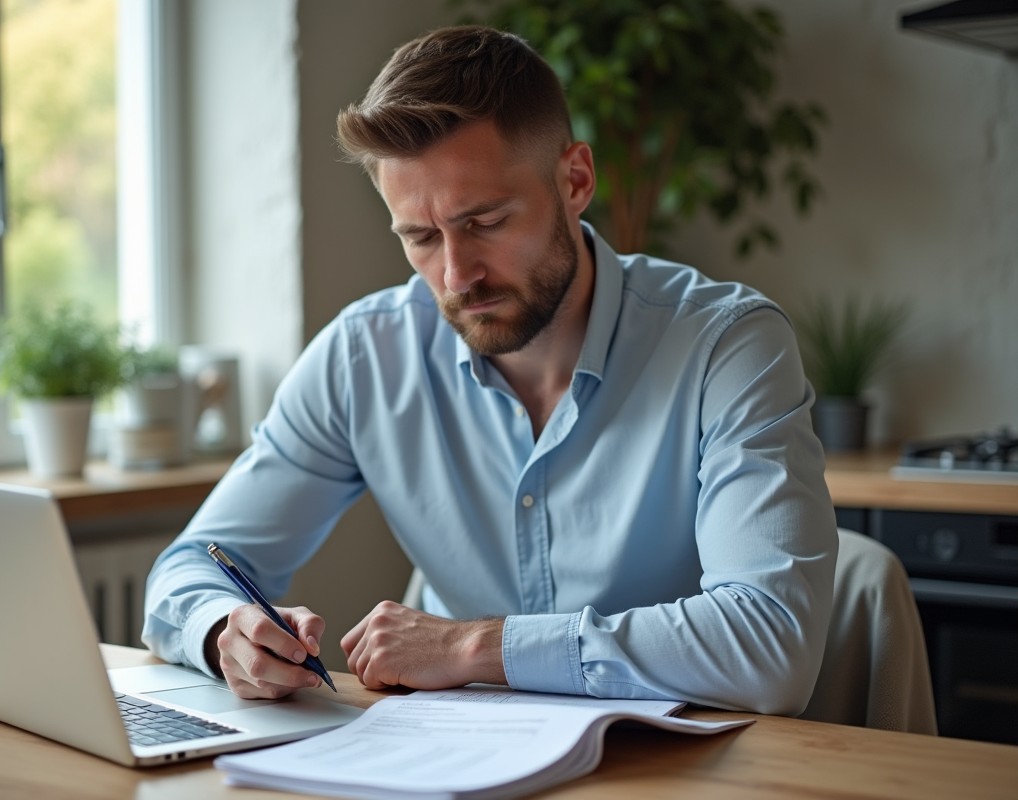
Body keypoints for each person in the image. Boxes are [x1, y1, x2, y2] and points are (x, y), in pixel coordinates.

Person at [143, 26, 837, 715]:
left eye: (486, 222)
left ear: (575, 180)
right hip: (451, 759)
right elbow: (192, 567)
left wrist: (475, 646)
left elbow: (770, 646)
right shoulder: (364, 356)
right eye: (421, 236)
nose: (455, 275)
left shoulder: (727, 345)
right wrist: (225, 631)